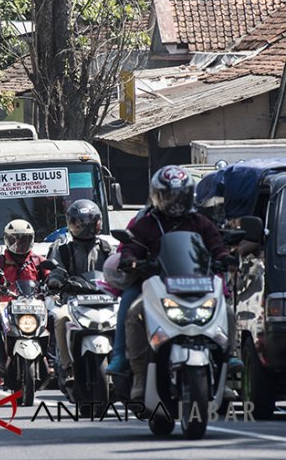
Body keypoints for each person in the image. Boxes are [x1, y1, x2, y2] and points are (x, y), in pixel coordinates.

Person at [111, 165, 235, 399]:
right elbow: (131, 246)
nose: (175, 202)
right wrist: (131, 260)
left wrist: (224, 257)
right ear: (157, 196)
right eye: (169, 196)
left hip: (198, 282)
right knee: (132, 310)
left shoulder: (199, 221)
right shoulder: (147, 223)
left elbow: (216, 244)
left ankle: (227, 365)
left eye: (181, 196)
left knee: (227, 311)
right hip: (156, 284)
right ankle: (137, 375)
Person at [47, 200, 113, 386]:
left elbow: (117, 267)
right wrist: (55, 279)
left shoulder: (107, 248)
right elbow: (55, 269)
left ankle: (125, 364)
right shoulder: (63, 248)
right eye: (80, 223)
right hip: (74, 302)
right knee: (60, 318)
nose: (85, 227)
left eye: (91, 223)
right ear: (71, 223)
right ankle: (67, 366)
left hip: (106, 300)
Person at [0, 219, 48, 378]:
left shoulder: (38, 261)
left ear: (31, 240)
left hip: (35, 304)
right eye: (15, 240)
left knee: (54, 317)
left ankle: (52, 360)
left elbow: (50, 275)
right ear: (7, 240)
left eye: (24, 240)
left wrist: (53, 282)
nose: (19, 244)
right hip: (7, 305)